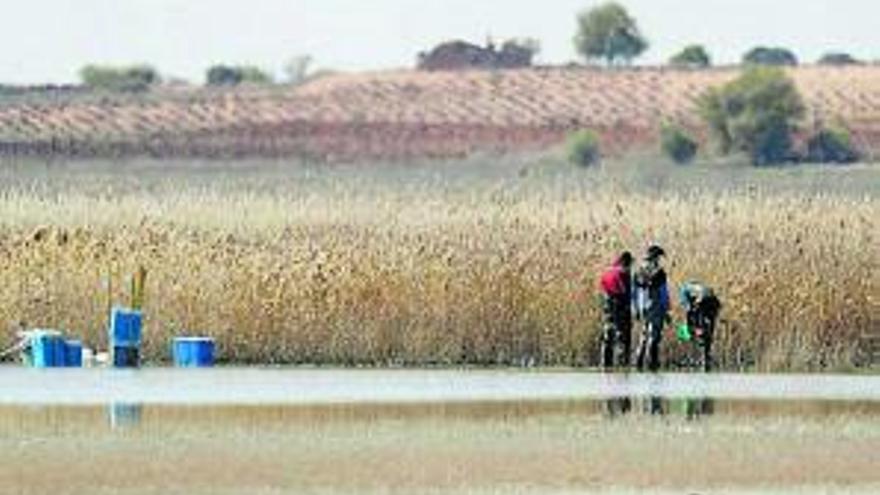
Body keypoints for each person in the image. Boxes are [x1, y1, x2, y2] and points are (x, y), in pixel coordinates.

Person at [634, 245, 670, 372]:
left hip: (642, 307)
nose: (660, 260)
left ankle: (638, 365)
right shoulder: (659, 273)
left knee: (643, 336)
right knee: (654, 337)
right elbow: (663, 294)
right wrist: (666, 311)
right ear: (656, 257)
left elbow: (635, 293)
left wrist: (636, 309)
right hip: (655, 306)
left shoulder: (639, 271)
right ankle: (652, 367)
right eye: (659, 257)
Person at [598, 252, 634, 368]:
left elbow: (603, 289)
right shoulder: (624, 273)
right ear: (627, 262)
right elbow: (627, 293)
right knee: (622, 339)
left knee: (607, 337)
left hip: (607, 309)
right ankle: (623, 367)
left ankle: (605, 366)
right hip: (621, 308)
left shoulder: (608, 272)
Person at [679, 281, 722, 372]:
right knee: (704, 330)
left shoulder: (685, 291)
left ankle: (704, 353)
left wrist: (693, 330)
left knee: (700, 326)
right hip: (709, 301)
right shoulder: (690, 291)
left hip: (706, 301)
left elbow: (689, 312)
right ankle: (705, 353)